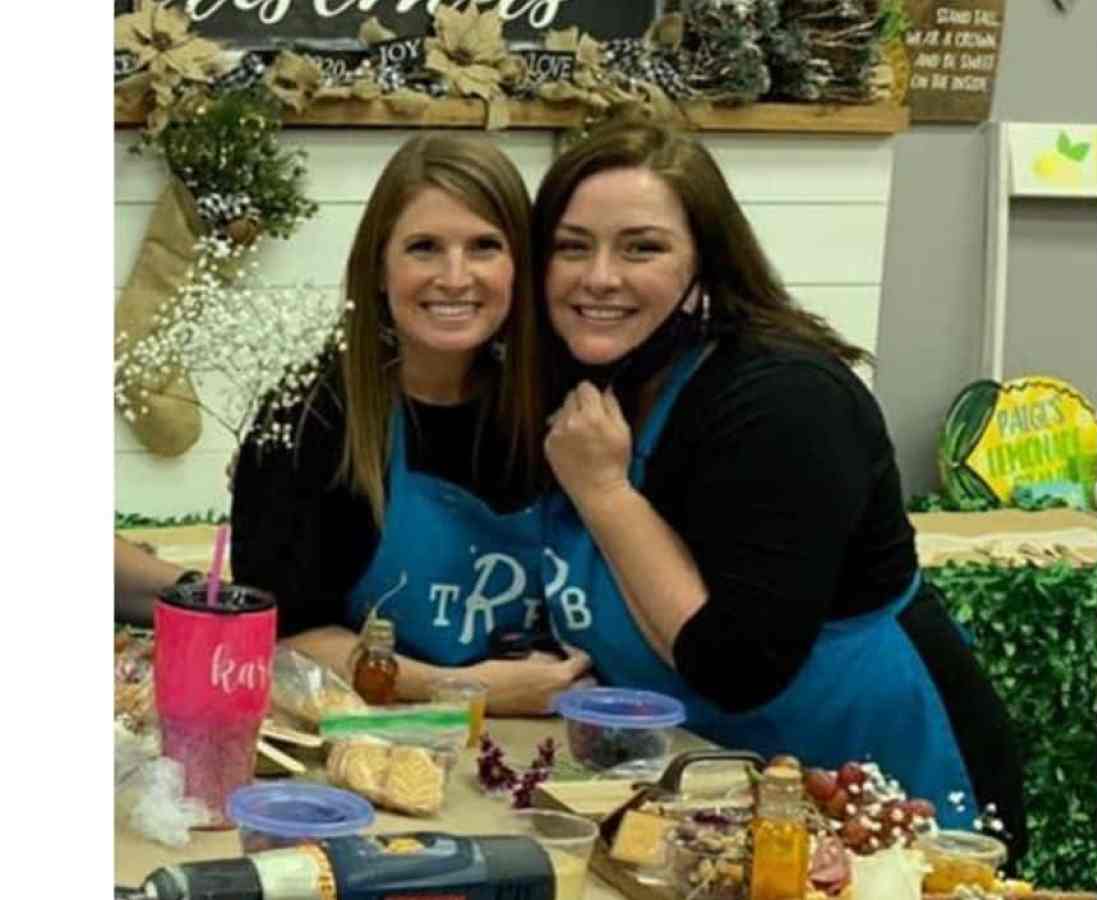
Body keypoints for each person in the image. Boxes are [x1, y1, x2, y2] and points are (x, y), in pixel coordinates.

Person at [532, 119, 1027, 861]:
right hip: (724, 786)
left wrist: (604, 492)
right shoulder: (597, 385)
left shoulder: (787, 399)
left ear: (707, 262)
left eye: (642, 248)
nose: (599, 277)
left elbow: (734, 667)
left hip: (886, 775)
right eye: (572, 247)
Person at [231, 134, 590, 715]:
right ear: (378, 268)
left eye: (484, 247)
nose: (455, 277)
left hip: (558, 736)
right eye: (424, 248)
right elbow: (286, 636)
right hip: (377, 734)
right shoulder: (310, 417)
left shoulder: (567, 406)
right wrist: (464, 691)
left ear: (521, 267)